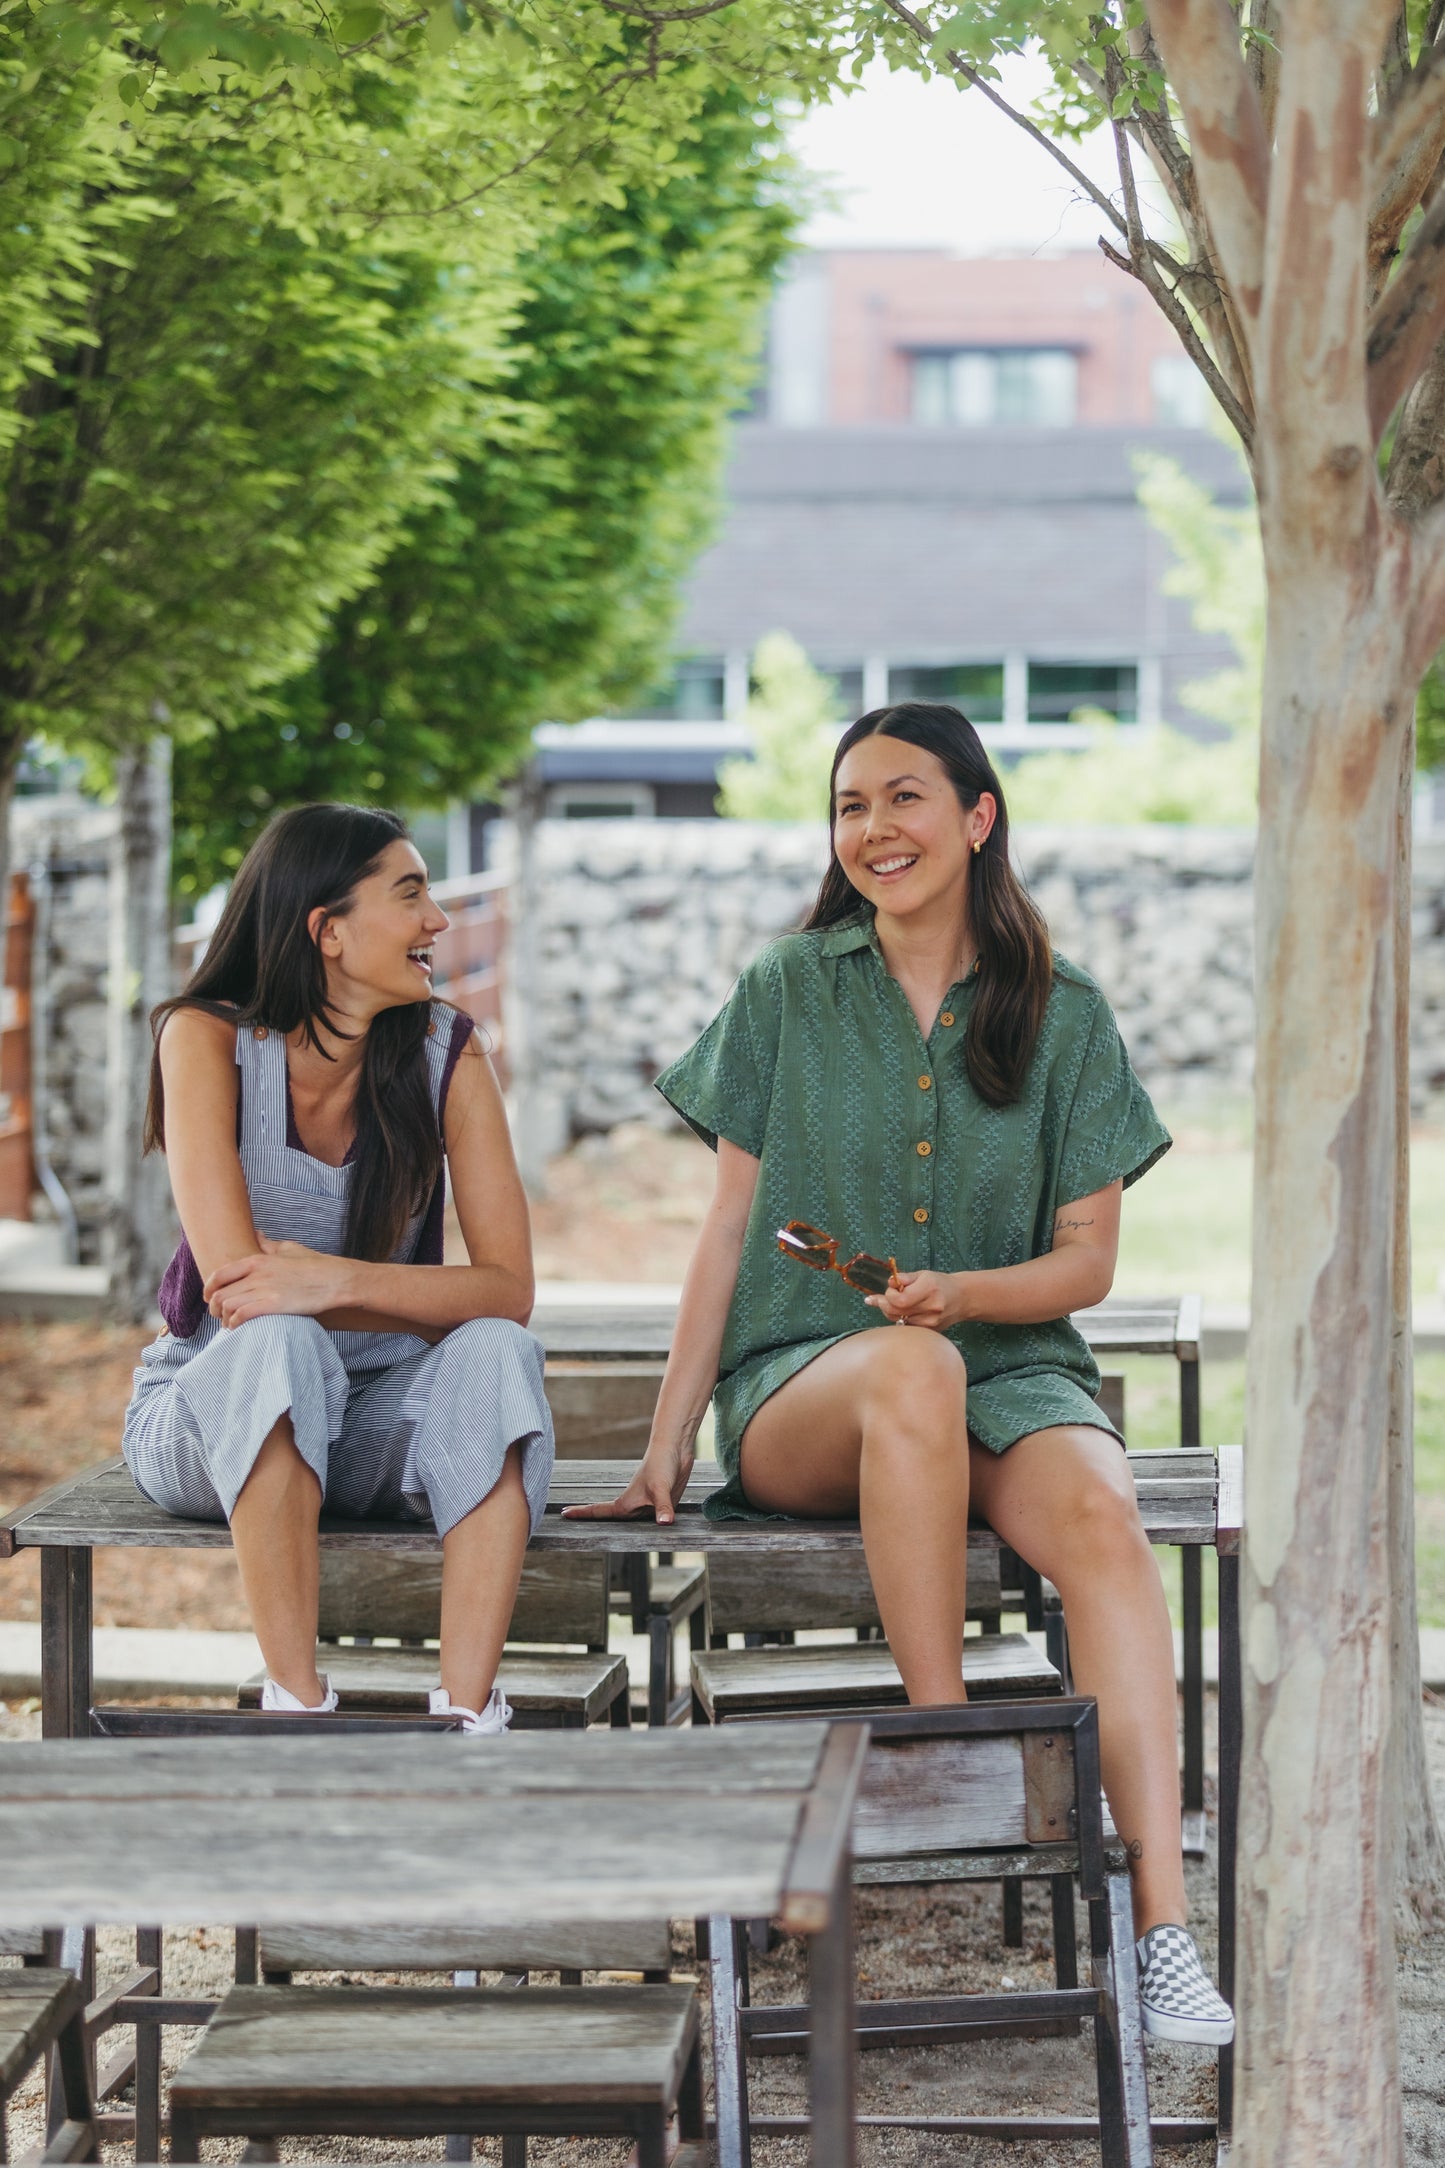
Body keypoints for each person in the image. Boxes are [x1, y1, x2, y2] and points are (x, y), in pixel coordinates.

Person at [566, 702, 1233, 2045]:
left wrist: (962, 1296)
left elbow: (1086, 1262)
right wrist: (662, 1445)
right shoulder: (786, 990)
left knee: (1102, 1518)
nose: (873, 829)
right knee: (911, 1373)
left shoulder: (1066, 1015)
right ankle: (950, 1748)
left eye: (904, 798)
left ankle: (1162, 1929)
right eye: (849, 806)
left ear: (978, 818)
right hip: (809, 1391)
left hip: (1014, 1372)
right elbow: (730, 1231)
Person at [123, 804, 553, 1735]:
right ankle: (299, 1706)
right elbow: (241, 1290)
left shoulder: (445, 1052)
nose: (437, 920)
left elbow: (506, 1291)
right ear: (328, 931)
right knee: (279, 1341)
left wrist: (337, 1281)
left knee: (494, 1354)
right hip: (213, 1413)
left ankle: (469, 1719)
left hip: (373, 1422)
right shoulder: (202, 1039)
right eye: (410, 894)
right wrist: (333, 1296)